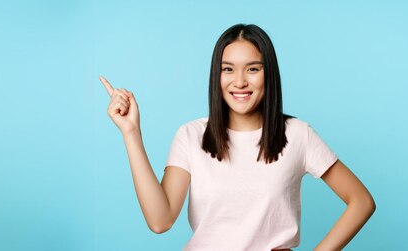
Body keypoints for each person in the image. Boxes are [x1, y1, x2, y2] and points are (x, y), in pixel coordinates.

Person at [99, 24, 376, 251]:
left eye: (253, 69)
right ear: (216, 76)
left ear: (269, 75)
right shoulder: (191, 135)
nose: (240, 81)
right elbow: (160, 221)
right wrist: (131, 132)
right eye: (228, 69)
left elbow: (361, 201)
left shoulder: (297, 134)